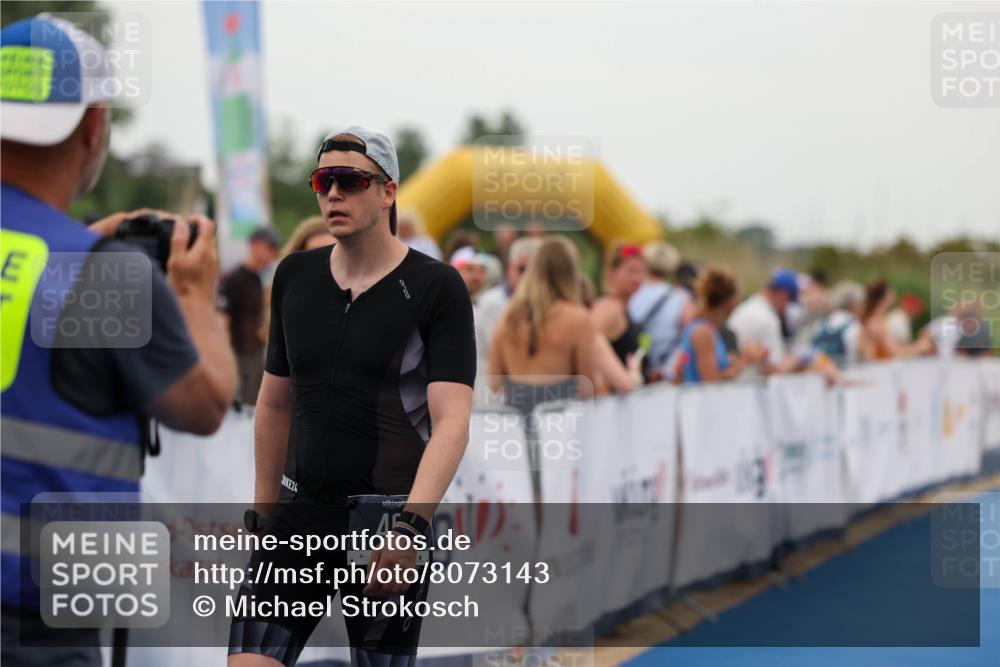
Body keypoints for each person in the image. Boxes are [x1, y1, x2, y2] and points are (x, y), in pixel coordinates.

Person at [0, 16, 236, 666]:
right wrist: (192, 290)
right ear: (93, 126)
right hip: (36, 623)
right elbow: (206, 404)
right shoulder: (99, 274)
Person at [230, 126, 475, 666]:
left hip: (385, 519)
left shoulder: (437, 287)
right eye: (323, 181)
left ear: (388, 191)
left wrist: (412, 526)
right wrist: (263, 514)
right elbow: (273, 404)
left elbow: (452, 421)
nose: (333, 194)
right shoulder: (294, 275)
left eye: (350, 181)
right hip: (299, 515)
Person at [488, 236, 597, 412]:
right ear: (570, 271)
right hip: (560, 421)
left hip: (515, 421)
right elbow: (587, 388)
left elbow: (495, 383)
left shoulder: (509, 315)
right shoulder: (579, 319)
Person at [220, 227, 280, 404]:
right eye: (270, 247)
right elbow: (224, 318)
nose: (274, 252)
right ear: (254, 246)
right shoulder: (235, 279)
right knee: (246, 406)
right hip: (240, 354)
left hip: (257, 351)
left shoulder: (259, 277)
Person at [676, 268, 761, 383]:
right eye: (736, 296)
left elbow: (683, 366)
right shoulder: (703, 333)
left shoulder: (704, 327)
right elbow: (712, 382)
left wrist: (733, 360)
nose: (738, 302)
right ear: (727, 300)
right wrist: (745, 361)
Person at [628, 240, 693, 380]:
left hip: (634, 370)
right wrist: (676, 370)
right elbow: (688, 340)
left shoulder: (632, 292)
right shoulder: (682, 298)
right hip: (667, 374)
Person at [476, 237, 543, 363]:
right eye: (523, 269)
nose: (529, 277)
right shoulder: (490, 303)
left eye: (536, 271)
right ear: (510, 267)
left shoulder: (546, 304)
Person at [727, 267, 803, 374]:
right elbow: (772, 370)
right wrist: (798, 360)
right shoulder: (768, 319)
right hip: (749, 387)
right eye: (788, 301)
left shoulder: (743, 308)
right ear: (783, 295)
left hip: (733, 384)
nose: (786, 308)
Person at [592, 242, 648, 376]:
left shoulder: (623, 307)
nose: (636, 278)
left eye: (640, 272)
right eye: (630, 271)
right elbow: (589, 350)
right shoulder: (609, 308)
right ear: (612, 273)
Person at [857, 279, 931, 362]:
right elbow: (895, 352)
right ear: (886, 297)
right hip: (875, 371)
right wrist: (920, 346)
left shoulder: (873, 319)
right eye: (891, 292)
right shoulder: (875, 323)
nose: (894, 294)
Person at [811, 280, 864, 368]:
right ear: (855, 305)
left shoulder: (820, 324)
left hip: (818, 374)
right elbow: (856, 358)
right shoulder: (854, 327)